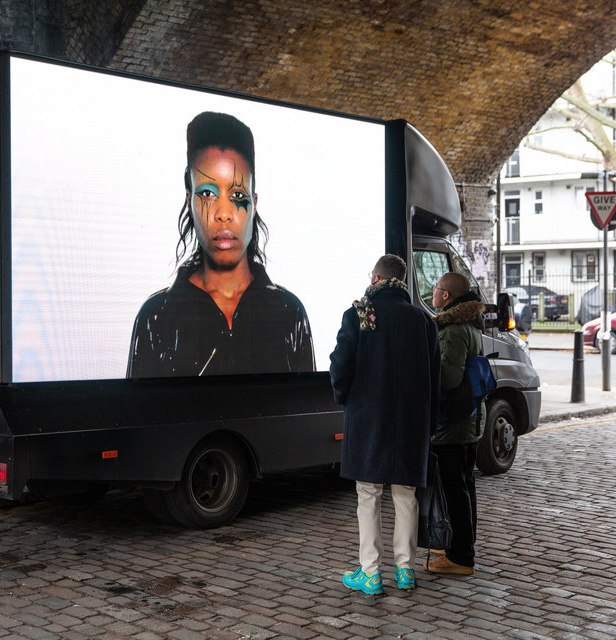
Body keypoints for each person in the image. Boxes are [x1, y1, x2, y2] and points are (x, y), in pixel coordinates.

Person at [127, 111, 315, 378]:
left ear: (254, 203)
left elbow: (306, 416)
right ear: (189, 201)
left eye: (237, 195)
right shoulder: (157, 317)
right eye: (207, 193)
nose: (223, 213)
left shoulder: (288, 313)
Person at [329, 254, 441, 594]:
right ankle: (405, 570)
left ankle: (371, 573)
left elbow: (340, 364)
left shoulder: (360, 314)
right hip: (411, 419)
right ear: (402, 281)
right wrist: (431, 421)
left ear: (376, 278)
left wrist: (344, 396)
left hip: (368, 416)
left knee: (369, 494)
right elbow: (435, 378)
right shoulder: (423, 321)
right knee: (406, 493)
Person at [425, 271, 485, 576]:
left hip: (454, 422)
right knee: (465, 487)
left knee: (454, 490)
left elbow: (447, 379)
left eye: (435, 289)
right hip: (471, 421)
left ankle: (460, 557)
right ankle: (463, 549)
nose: (433, 293)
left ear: (446, 296)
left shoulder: (451, 330)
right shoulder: (472, 326)